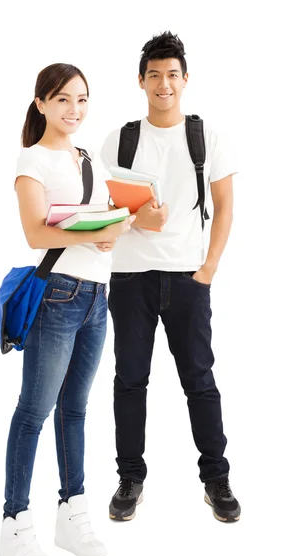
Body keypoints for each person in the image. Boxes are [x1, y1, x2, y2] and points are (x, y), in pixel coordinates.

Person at [0, 62, 135, 556]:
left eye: (81, 100)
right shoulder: (30, 160)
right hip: (57, 295)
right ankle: (14, 523)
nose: (74, 110)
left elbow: (103, 220)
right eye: (62, 100)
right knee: (34, 412)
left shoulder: (87, 159)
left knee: (75, 410)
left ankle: (71, 512)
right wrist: (91, 236)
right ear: (41, 104)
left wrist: (120, 224)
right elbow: (36, 234)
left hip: (97, 294)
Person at [100, 32, 241, 523]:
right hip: (130, 278)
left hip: (188, 278)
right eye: (154, 75)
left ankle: (216, 478)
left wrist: (209, 269)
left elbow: (225, 207)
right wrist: (138, 221)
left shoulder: (206, 135)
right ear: (141, 81)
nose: (164, 84)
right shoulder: (121, 138)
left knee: (200, 380)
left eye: (172, 75)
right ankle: (129, 478)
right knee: (130, 381)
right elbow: (101, 213)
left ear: (185, 80)